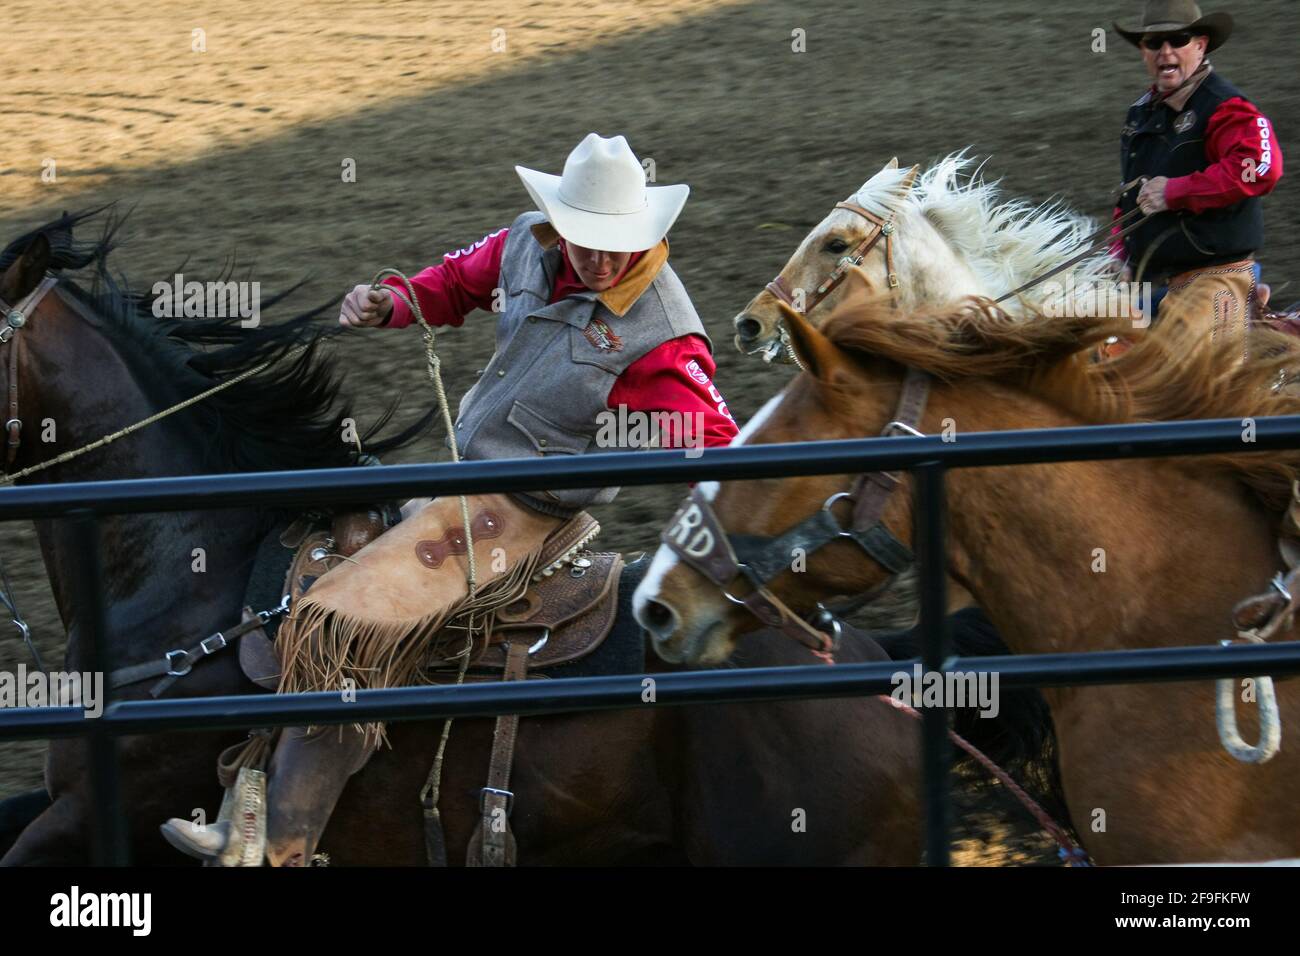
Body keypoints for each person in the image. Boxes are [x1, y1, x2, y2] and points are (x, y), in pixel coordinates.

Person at [161, 133, 738, 865]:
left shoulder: (661, 338)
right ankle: (262, 795)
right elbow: (460, 280)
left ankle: (280, 842)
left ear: (645, 235)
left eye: (611, 243)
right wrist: (393, 302)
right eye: (583, 238)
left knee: (346, 616)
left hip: (527, 511)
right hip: (466, 483)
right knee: (332, 532)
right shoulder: (529, 242)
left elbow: (713, 447)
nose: (595, 257)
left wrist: (737, 535)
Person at [1111, 1, 1283, 344]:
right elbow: (1130, 198)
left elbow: (1261, 170)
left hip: (1214, 277)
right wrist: (1119, 255)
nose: (1165, 51)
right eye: (1154, 43)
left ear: (1200, 45)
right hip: (1154, 279)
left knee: (1183, 372)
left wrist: (1175, 192)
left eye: (1177, 40)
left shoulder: (1225, 106)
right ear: (1143, 51)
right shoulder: (1140, 113)